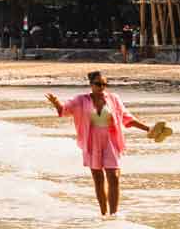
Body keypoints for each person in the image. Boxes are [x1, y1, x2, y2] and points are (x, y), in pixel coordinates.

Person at [47, 68, 134, 218]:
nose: (101, 88)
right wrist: (56, 103)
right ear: (91, 84)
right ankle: (103, 214)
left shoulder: (113, 99)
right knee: (98, 180)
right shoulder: (81, 100)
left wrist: (148, 128)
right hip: (92, 142)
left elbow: (127, 118)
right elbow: (64, 111)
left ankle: (114, 215)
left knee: (114, 176)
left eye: (104, 84)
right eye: (98, 84)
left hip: (110, 141)